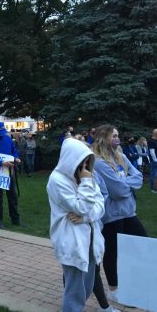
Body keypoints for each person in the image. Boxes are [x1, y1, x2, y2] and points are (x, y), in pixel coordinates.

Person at [47, 138, 105, 312]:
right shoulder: (57, 180)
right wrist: (86, 183)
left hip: (91, 238)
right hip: (72, 241)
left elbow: (100, 205)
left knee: (86, 288)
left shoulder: (85, 174)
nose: (85, 166)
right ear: (71, 158)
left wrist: (86, 218)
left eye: (88, 161)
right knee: (75, 291)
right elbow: (81, 207)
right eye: (82, 161)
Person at [92, 124, 147, 303]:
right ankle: (113, 289)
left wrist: (123, 182)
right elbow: (118, 191)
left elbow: (139, 178)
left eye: (118, 135)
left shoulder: (121, 156)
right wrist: (125, 184)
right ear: (104, 138)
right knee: (112, 252)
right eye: (114, 136)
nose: (117, 139)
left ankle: (136, 283)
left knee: (141, 242)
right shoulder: (99, 162)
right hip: (111, 215)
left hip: (128, 211)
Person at [147, 129, 157, 193]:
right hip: (154, 161)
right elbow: (152, 152)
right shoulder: (151, 141)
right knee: (153, 174)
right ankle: (153, 189)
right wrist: (156, 160)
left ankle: (155, 187)